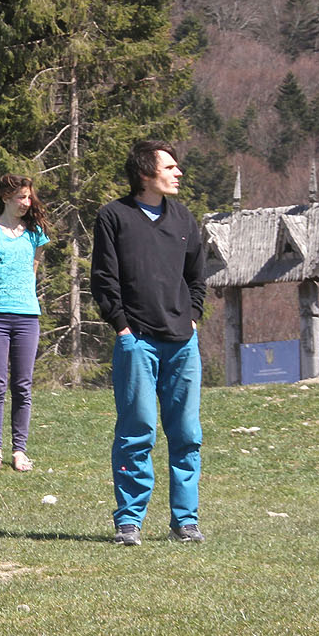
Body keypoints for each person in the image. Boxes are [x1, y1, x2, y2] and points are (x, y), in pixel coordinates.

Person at [90, 139, 207, 546]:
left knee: (187, 434)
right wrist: (122, 327)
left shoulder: (184, 219)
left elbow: (197, 276)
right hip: (136, 342)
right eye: (170, 167)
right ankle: (129, 522)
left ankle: (185, 521)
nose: (178, 173)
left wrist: (192, 318)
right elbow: (104, 279)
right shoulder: (113, 216)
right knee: (137, 433)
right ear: (145, 174)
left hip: (182, 343)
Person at [0, 174, 49, 473]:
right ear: (6, 197)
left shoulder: (35, 233)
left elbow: (33, 270)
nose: (26, 203)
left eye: (29, 197)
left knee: (23, 385)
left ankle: (20, 451)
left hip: (28, 316)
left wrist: (23, 298)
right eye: (21, 197)